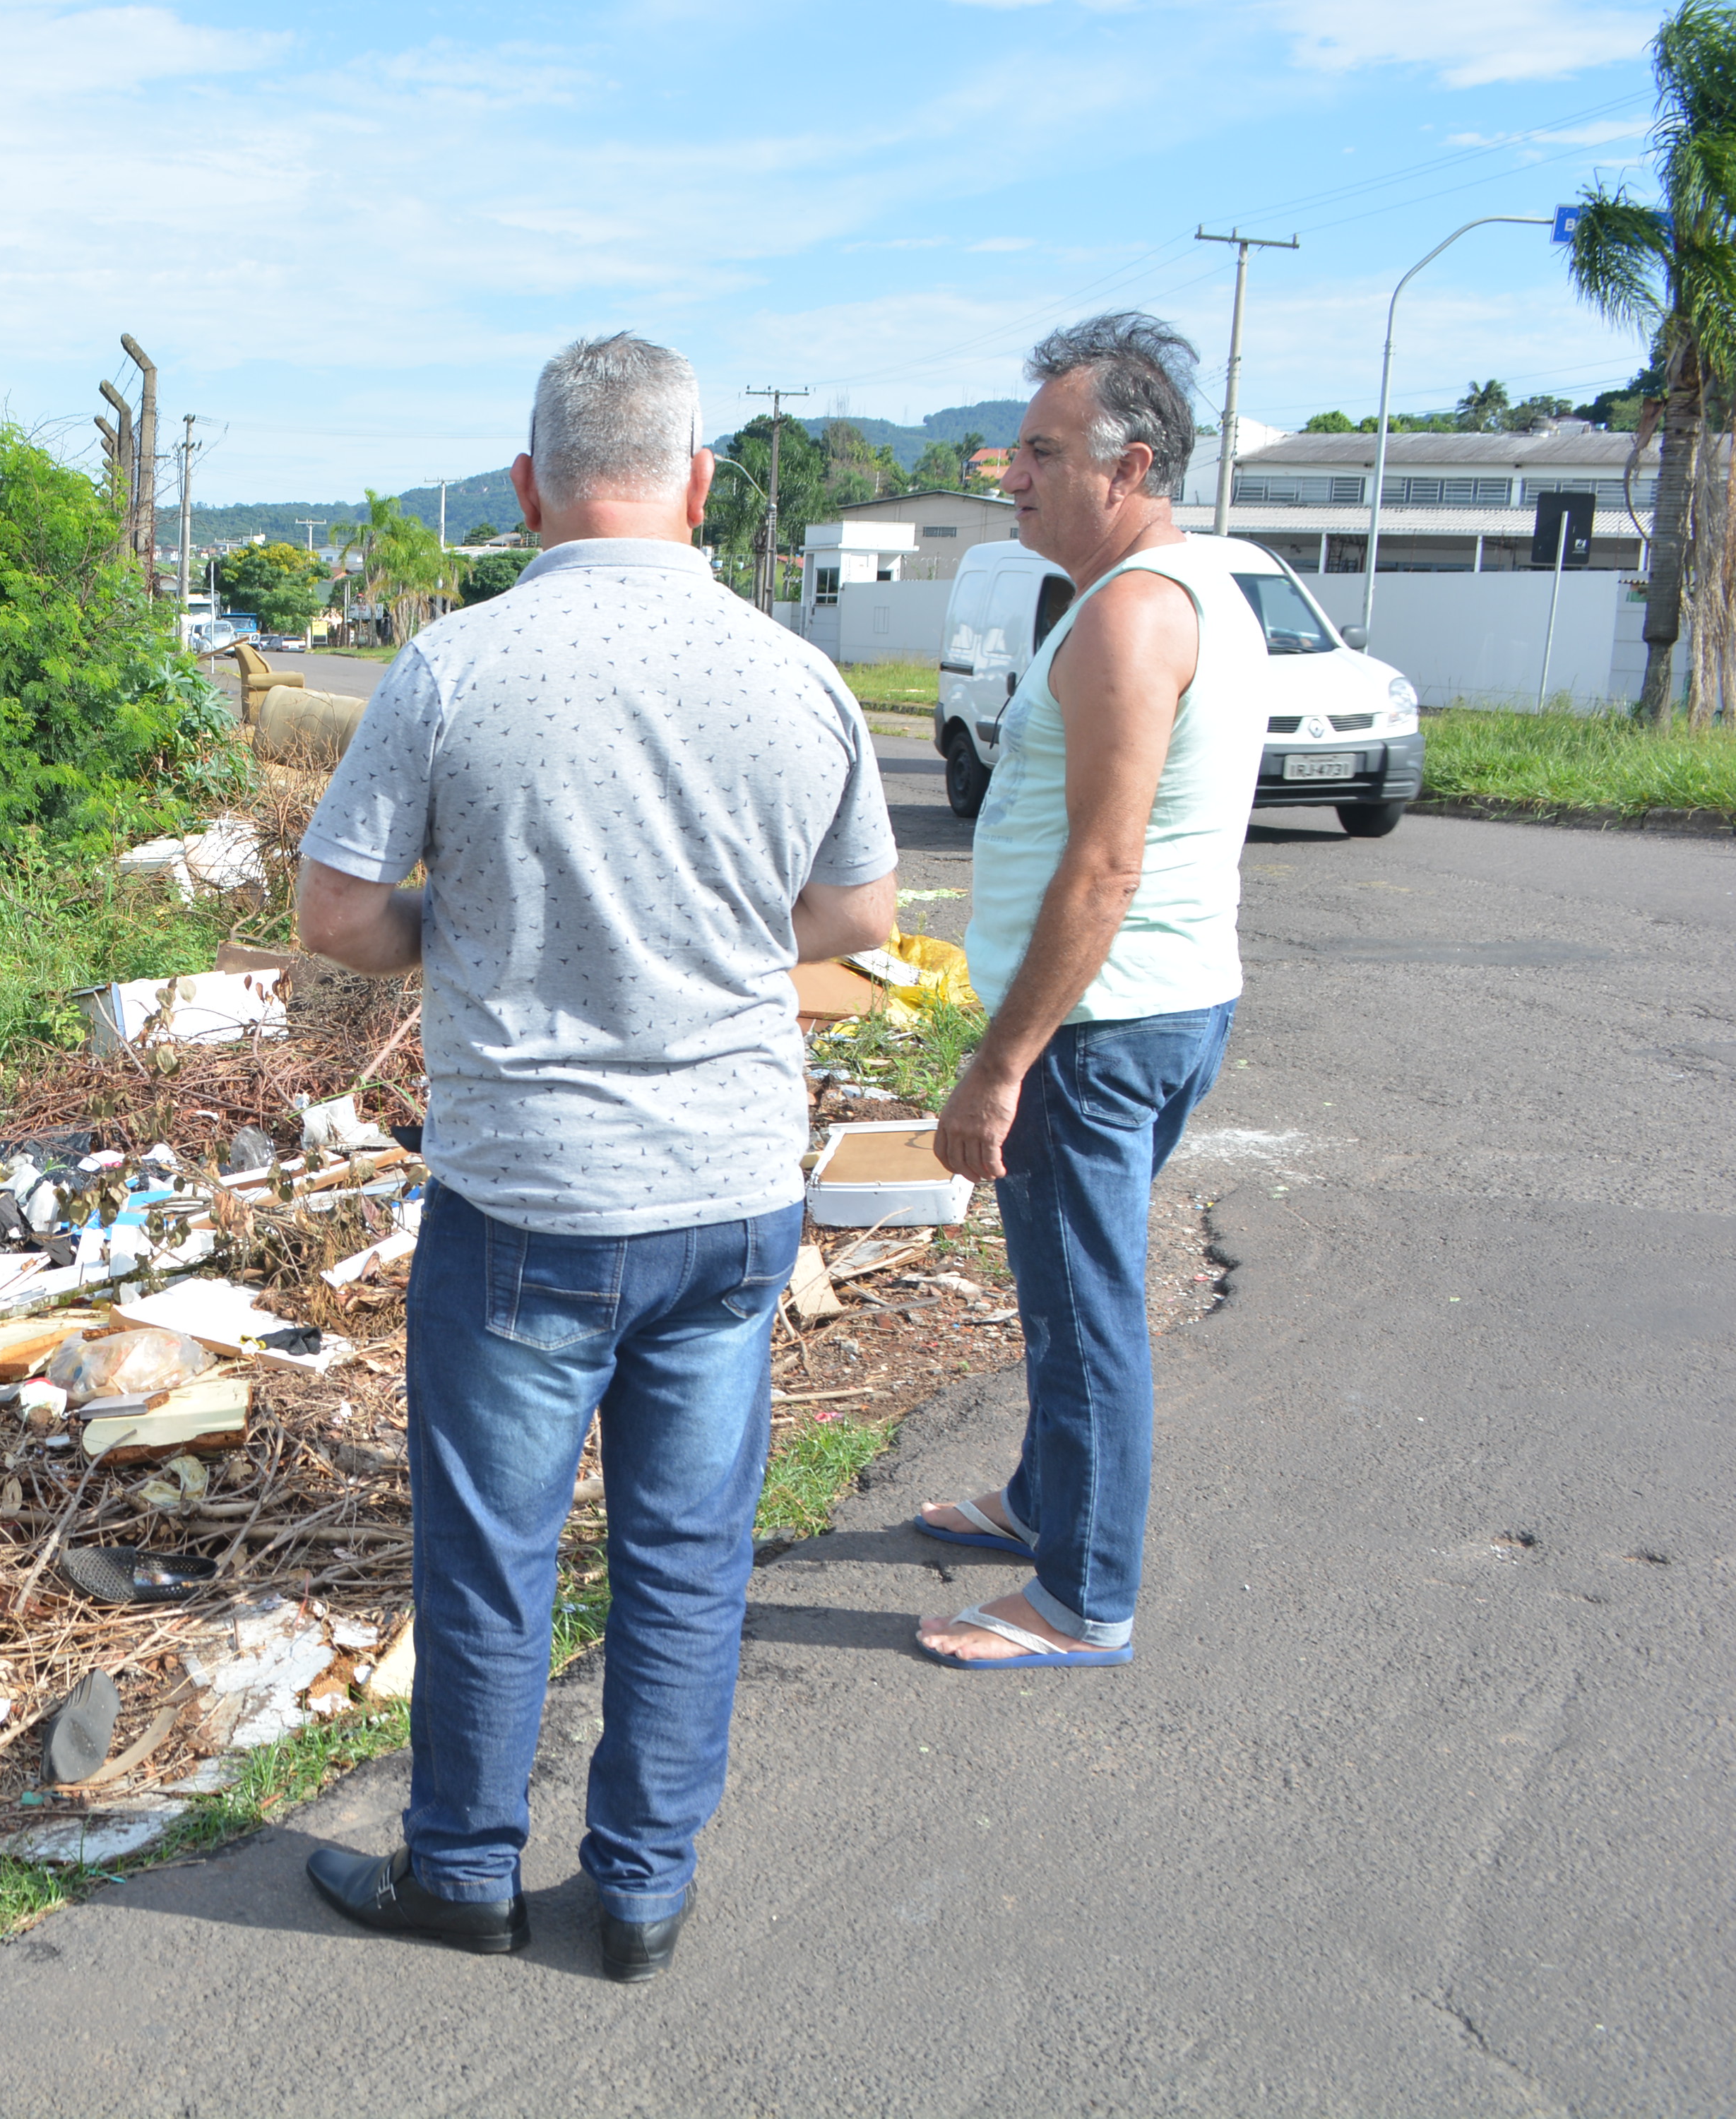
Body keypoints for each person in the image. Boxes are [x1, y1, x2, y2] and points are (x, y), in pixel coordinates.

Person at [292, 333, 896, 1981]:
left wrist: (467, 926)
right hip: (733, 1197)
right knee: (687, 1555)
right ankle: (637, 1891)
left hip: (532, 1199)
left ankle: (465, 1876)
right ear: (701, 485)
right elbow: (853, 927)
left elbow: (340, 914)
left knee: (492, 1556)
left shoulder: (453, 666)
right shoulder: (797, 675)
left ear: (526, 487)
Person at [915, 312, 1266, 1669]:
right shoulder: (1178, 594)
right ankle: (1041, 1504)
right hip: (1157, 1008)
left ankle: (1082, 1599)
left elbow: (1105, 867)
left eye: (1044, 452)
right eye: (1017, 450)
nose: (1014, 476)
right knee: (1067, 1293)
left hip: (1099, 1027)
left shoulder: (1130, 618)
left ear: (1129, 470)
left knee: (1086, 1309)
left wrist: (1001, 1062)